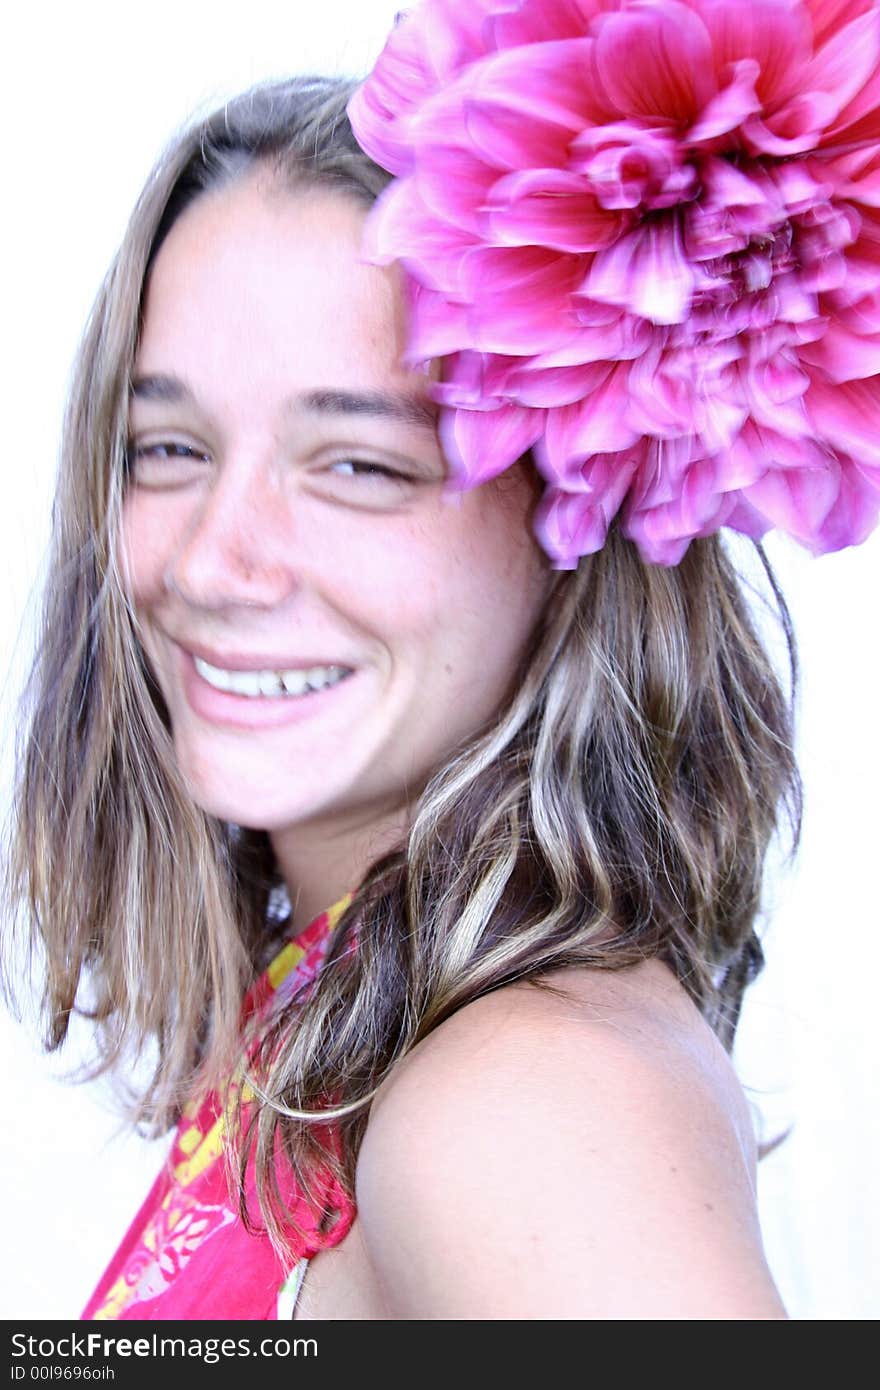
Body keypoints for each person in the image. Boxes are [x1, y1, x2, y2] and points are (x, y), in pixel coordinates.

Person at [6, 0, 879, 1320]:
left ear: (573, 532)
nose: (210, 560)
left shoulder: (530, 1101)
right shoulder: (353, 1010)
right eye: (167, 448)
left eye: (359, 464)